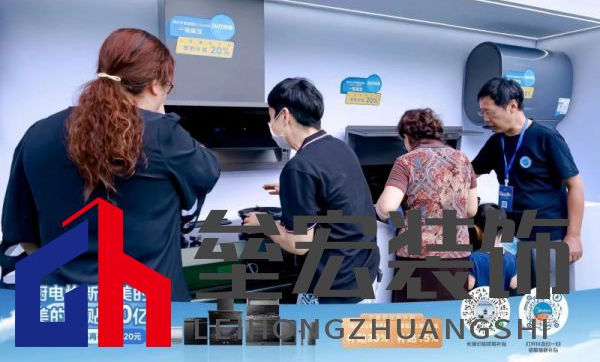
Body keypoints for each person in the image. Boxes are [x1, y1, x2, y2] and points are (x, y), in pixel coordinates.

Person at [1, 28, 220, 301]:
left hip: (63, 309)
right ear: (155, 84)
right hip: (147, 312)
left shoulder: (37, 134)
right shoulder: (164, 135)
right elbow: (208, 170)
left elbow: (24, 236)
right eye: (168, 87)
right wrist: (161, 118)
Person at [243, 78, 380, 304]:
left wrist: (264, 223)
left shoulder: (299, 167)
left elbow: (299, 244)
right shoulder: (339, 147)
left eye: (270, 116)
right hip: (364, 277)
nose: (270, 124)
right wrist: (294, 191)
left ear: (284, 115)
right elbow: (338, 193)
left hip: (332, 290)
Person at [471, 78, 584, 288]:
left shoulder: (546, 137)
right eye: (482, 113)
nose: (486, 119)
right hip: (511, 238)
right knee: (520, 298)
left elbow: (575, 185)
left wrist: (574, 236)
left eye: (490, 112)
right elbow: (469, 174)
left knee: (553, 300)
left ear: (512, 106)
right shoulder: (496, 142)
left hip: (548, 237)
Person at [375, 108, 478, 302]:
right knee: (448, 318)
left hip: (417, 259)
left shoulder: (406, 161)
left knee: (414, 318)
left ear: (408, 136)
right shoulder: (463, 159)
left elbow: (386, 207)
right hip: (456, 258)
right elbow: (471, 209)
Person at [468, 203, 517, 291]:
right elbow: (514, 284)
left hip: (480, 300)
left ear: (477, 230)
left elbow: (468, 285)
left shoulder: (473, 258)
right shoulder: (511, 258)